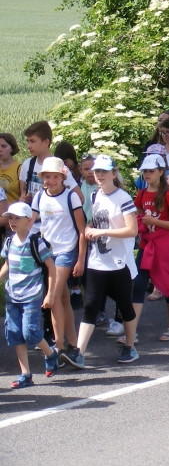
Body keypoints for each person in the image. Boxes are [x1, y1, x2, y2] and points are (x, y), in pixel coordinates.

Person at [76, 155, 140, 364]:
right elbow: (95, 222)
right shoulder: (95, 195)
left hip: (119, 262)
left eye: (104, 171)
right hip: (97, 260)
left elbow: (132, 230)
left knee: (124, 305)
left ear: (114, 173)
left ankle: (130, 347)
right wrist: (89, 230)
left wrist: (103, 233)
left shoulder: (123, 198)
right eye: (97, 171)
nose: (100, 175)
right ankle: (79, 353)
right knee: (91, 305)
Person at [30, 157, 86, 366]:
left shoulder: (71, 197)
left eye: (55, 177)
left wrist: (80, 260)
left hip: (66, 251)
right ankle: (73, 347)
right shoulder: (38, 198)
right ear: (42, 178)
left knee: (52, 297)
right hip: (48, 253)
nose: (51, 180)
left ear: (63, 178)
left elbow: (82, 231)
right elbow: (29, 222)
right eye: (47, 177)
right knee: (63, 300)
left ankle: (58, 348)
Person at [130, 154, 169, 343]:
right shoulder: (141, 193)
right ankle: (131, 331)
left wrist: (154, 221)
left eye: (151, 171)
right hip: (147, 245)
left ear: (161, 172)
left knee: (168, 286)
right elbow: (139, 214)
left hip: (165, 246)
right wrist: (140, 225)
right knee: (138, 285)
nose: (147, 174)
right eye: (144, 171)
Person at [1, 202, 59, 387]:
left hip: (32, 296)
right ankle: (25, 374)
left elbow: (51, 267)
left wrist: (50, 294)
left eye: (17, 218)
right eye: (10, 217)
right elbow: (8, 265)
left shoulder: (35, 242)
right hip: (12, 295)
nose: (13, 221)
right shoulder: (9, 241)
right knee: (15, 333)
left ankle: (50, 353)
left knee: (31, 332)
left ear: (29, 220)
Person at [0, 132, 21, 202]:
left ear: (12, 148)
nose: (0, 150)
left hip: (12, 211)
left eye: (3, 146)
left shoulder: (19, 168)